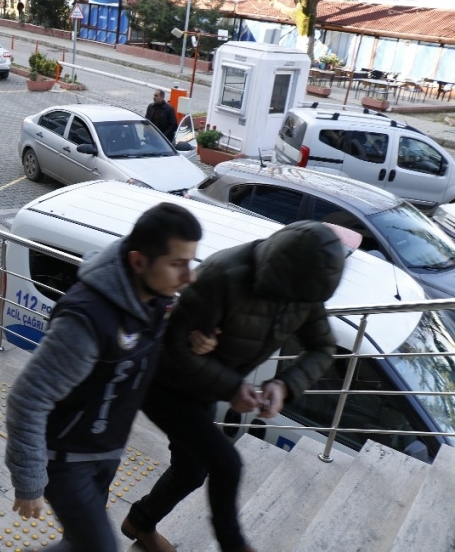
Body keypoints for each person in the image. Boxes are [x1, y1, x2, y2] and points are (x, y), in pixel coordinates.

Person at [121, 221, 346, 552]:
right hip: (166, 384)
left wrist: (284, 385)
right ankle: (233, 546)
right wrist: (231, 388)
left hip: (206, 389)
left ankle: (139, 522)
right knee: (226, 464)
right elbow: (172, 345)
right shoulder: (223, 275)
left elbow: (322, 346)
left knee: (191, 472)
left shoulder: (305, 285)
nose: (289, 306)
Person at [5, 203, 203, 552]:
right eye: (177, 264)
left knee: (79, 544)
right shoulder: (86, 320)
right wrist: (29, 480)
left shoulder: (153, 299)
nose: (188, 276)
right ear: (138, 261)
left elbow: (142, 357)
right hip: (65, 462)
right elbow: (27, 399)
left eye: (190, 263)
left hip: (105, 452)